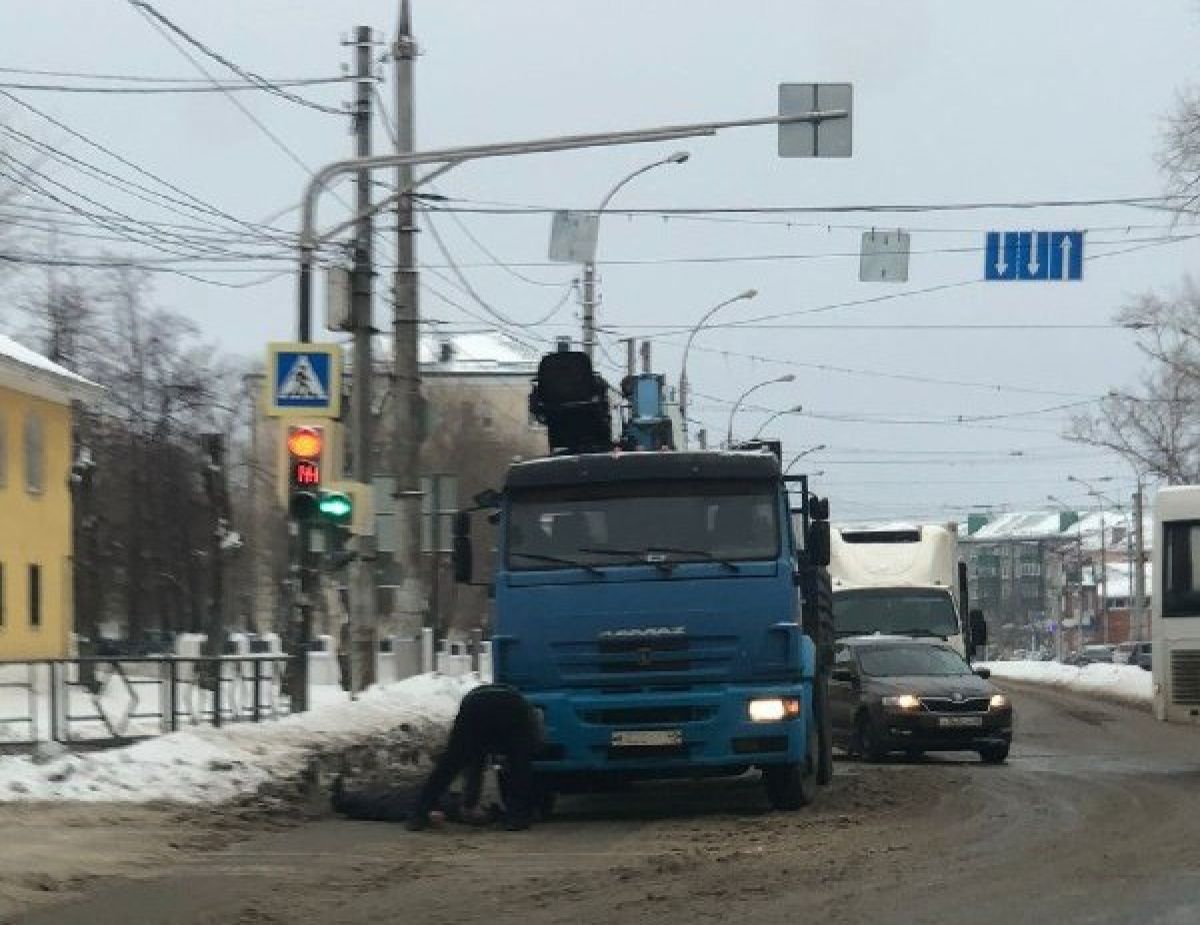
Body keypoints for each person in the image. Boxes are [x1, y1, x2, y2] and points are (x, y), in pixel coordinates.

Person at [407, 683, 543, 831]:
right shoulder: (528, 718)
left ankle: (418, 815)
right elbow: (521, 760)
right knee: (519, 765)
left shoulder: (522, 712)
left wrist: (469, 802)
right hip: (510, 706)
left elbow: (475, 765)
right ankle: (517, 818)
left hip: (474, 702)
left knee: (449, 765)